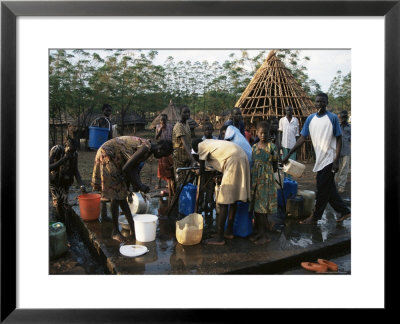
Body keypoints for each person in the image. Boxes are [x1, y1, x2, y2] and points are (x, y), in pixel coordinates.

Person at [282, 93, 351, 224]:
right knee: (328, 189)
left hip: (329, 159)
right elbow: (302, 138)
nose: (320, 104)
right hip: (320, 160)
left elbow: (339, 139)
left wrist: (336, 161)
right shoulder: (310, 119)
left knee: (321, 189)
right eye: (318, 101)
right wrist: (288, 154)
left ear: (327, 102)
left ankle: (315, 217)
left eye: (322, 101)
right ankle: (344, 211)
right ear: (315, 103)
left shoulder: (332, 118)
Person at [91, 136, 173, 242]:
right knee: (116, 196)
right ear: (160, 149)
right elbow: (126, 168)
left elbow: (133, 169)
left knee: (121, 195)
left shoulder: (147, 149)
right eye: (163, 155)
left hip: (114, 158)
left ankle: (133, 229)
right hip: (108, 155)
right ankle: (115, 232)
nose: (161, 158)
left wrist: (138, 184)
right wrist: (140, 186)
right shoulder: (145, 148)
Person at [192, 138, 251, 245]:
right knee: (233, 199)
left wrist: (196, 170)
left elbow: (201, 171)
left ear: (196, 149)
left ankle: (219, 238)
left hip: (234, 160)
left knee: (223, 202)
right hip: (241, 156)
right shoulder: (209, 142)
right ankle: (228, 231)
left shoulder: (200, 146)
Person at [249, 121, 278, 244]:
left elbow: (275, 165)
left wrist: (266, 172)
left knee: (262, 209)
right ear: (257, 132)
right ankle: (260, 233)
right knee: (257, 208)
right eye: (261, 133)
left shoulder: (272, 147)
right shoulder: (254, 147)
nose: (263, 135)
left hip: (266, 181)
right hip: (256, 180)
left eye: (265, 133)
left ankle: (265, 236)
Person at [49, 135, 87, 229]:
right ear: (65, 145)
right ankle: (60, 225)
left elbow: (75, 170)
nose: (71, 153)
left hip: (65, 181)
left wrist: (81, 185)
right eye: (69, 150)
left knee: (65, 204)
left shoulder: (74, 154)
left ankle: (67, 226)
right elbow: (49, 167)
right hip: (54, 180)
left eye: (73, 151)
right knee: (58, 202)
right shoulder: (56, 150)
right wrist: (64, 159)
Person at [172, 106, 197, 191]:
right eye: (185, 112)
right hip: (179, 157)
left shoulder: (186, 124)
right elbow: (185, 143)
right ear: (180, 114)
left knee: (188, 180)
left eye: (188, 112)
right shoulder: (179, 126)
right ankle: (179, 200)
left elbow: (190, 141)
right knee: (180, 181)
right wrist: (193, 160)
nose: (187, 114)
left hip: (186, 155)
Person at [155, 114, 174, 196]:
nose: (163, 121)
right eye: (161, 120)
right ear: (160, 120)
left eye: (164, 119)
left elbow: (172, 137)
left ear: (167, 119)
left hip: (169, 147)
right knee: (161, 165)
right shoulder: (158, 127)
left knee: (169, 165)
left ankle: (168, 182)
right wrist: (160, 130)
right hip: (161, 148)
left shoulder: (170, 127)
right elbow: (156, 137)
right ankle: (159, 183)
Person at [278, 106, 299, 178]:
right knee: (285, 162)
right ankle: (285, 178)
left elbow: (297, 134)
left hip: (293, 145)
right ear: (285, 111)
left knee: (292, 163)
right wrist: (280, 143)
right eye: (287, 110)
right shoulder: (282, 120)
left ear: (292, 111)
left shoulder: (295, 120)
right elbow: (280, 133)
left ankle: (290, 178)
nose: (289, 112)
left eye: (290, 110)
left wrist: (297, 145)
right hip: (284, 144)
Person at [335, 110, 351, 193]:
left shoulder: (350, 127)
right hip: (336, 151)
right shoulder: (337, 126)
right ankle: (332, 186)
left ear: (347, 117)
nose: (343, 119)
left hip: (346, 151)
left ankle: (341, 187)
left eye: (345, 117)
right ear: (339, 117)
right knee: (334, 169)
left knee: (344, 170)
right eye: (342, 117)